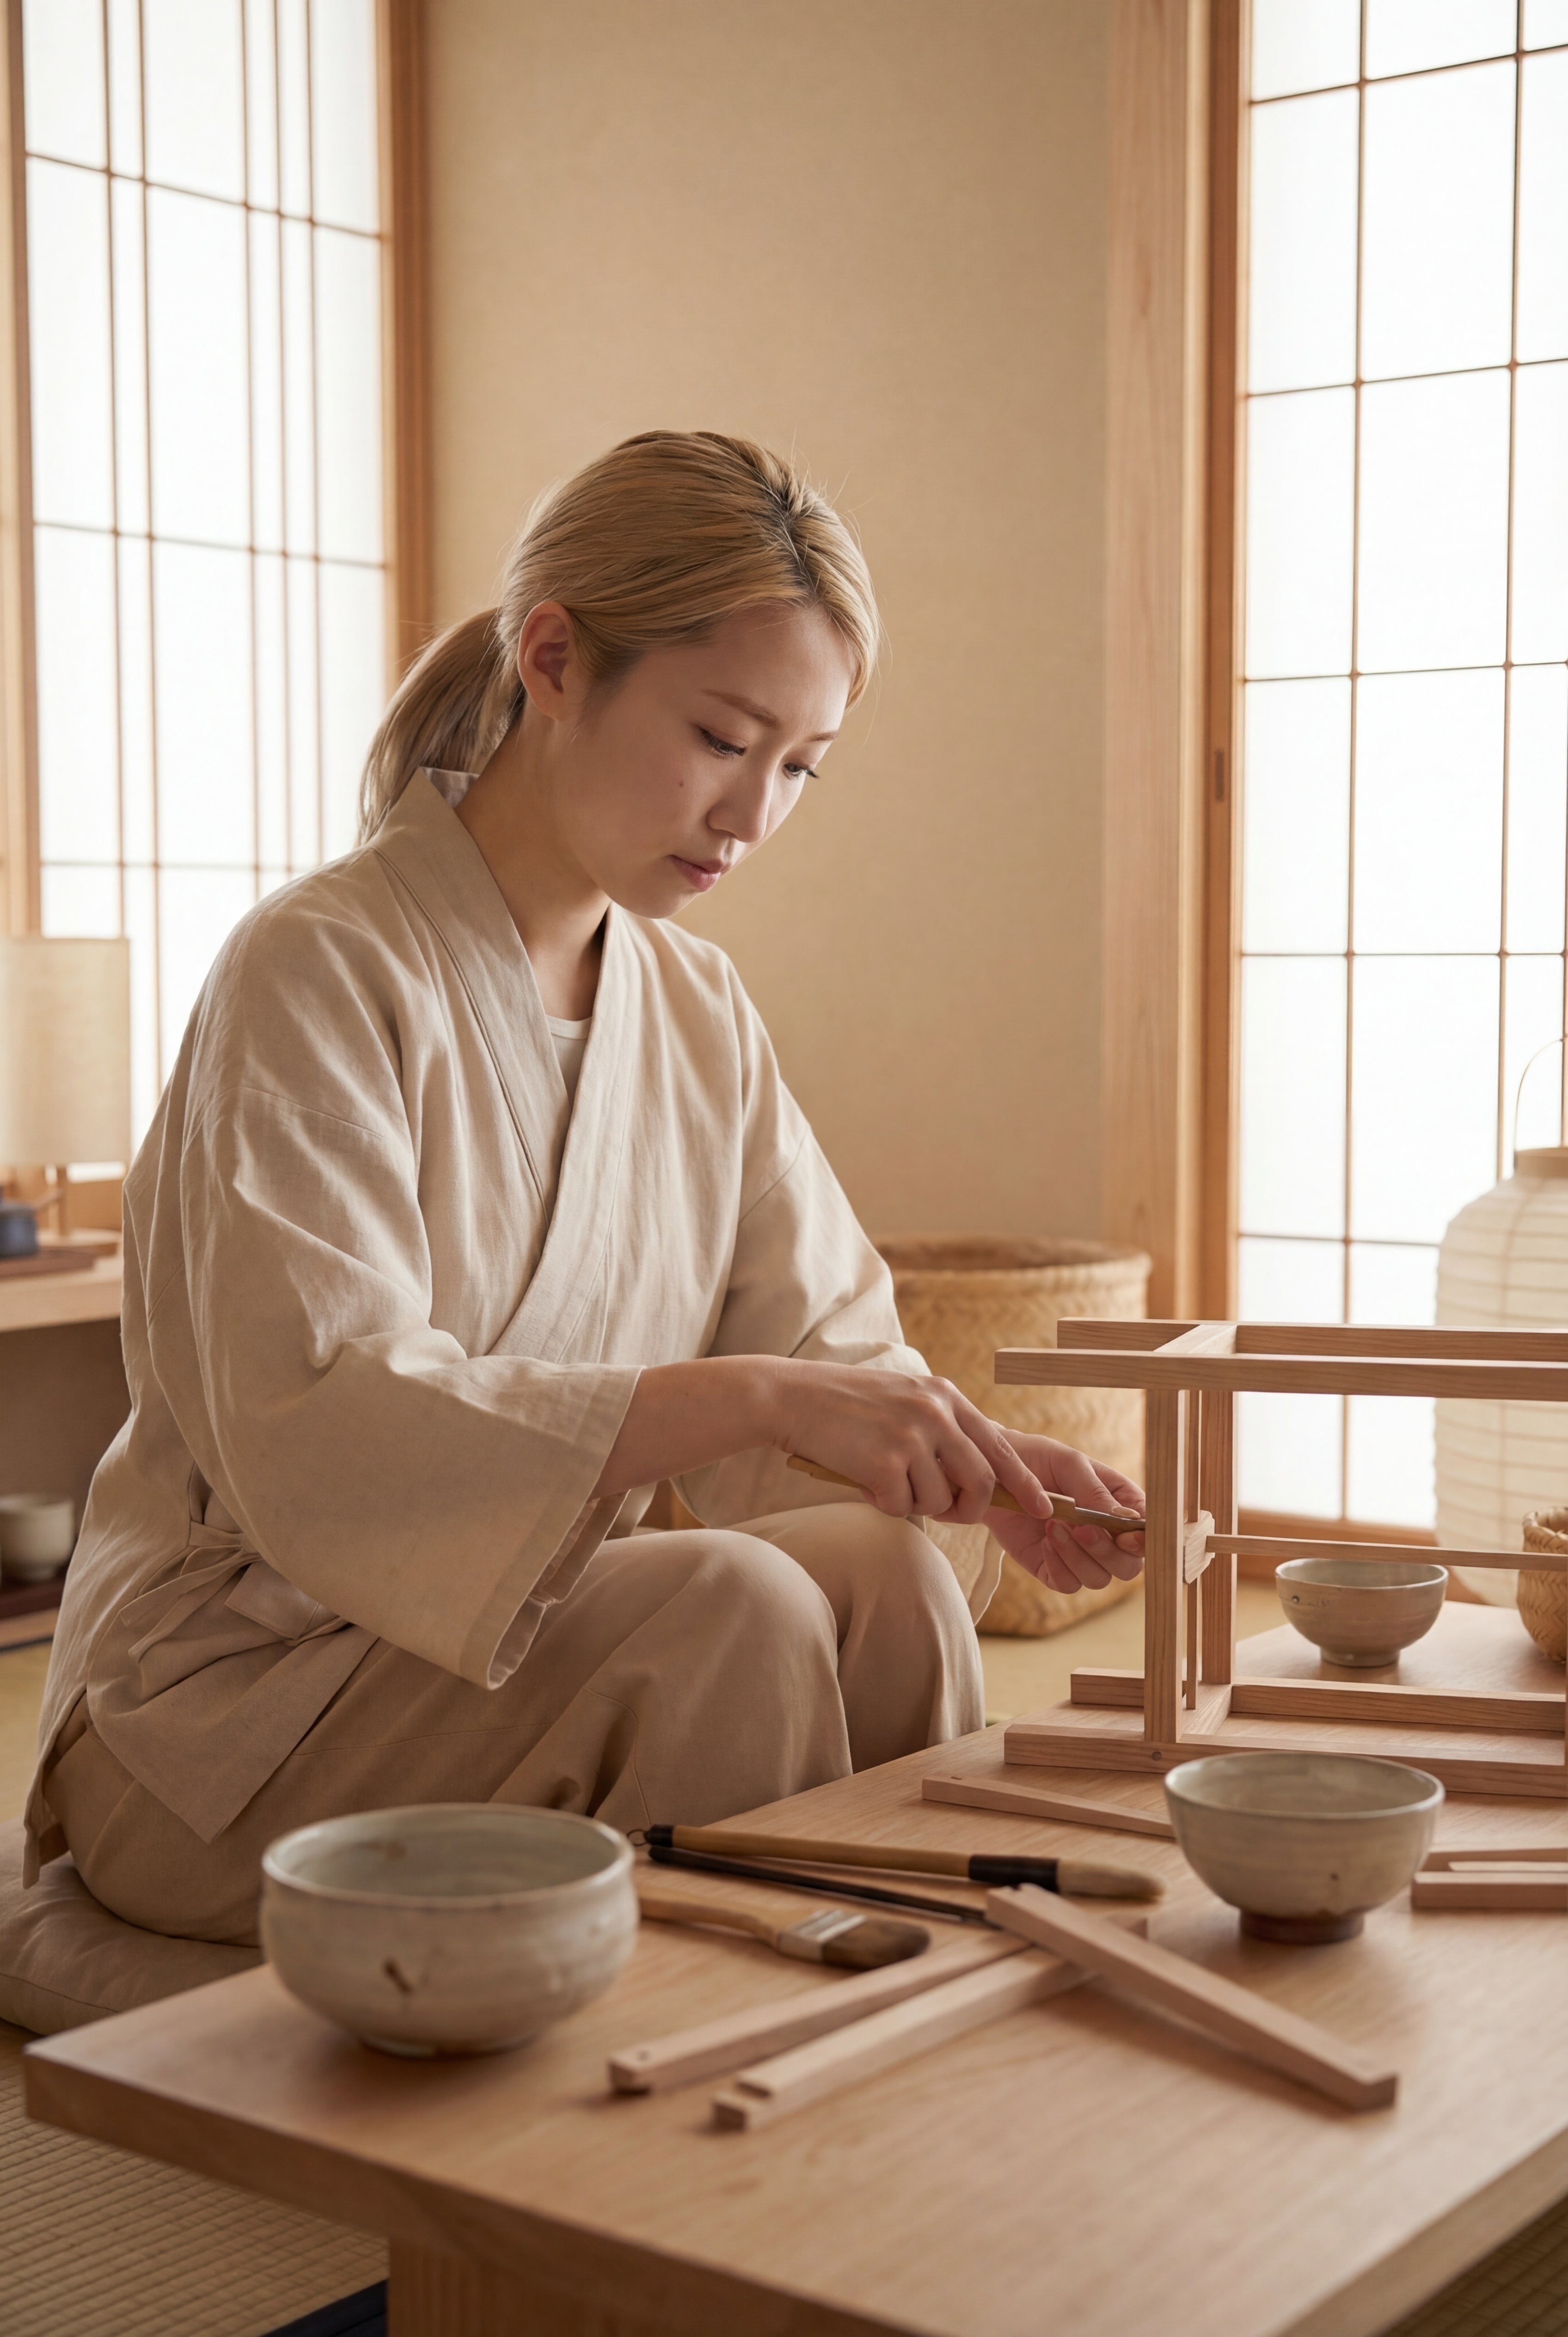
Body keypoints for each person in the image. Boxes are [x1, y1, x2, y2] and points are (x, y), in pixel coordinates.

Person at [25, 432, 1144, 1947]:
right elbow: (327, 1419)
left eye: (802, 766)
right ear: (554, 657)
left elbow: (827, 1357)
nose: (754, 815)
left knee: (885, 1573)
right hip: (227, 1718)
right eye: (722, 737)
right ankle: (700, 2097)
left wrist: (977, 1465)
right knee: (730, 1608)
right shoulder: (320, 965)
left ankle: (889, 2015)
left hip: (521, 1649)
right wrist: (747, 1401)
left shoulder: (696, 1009)